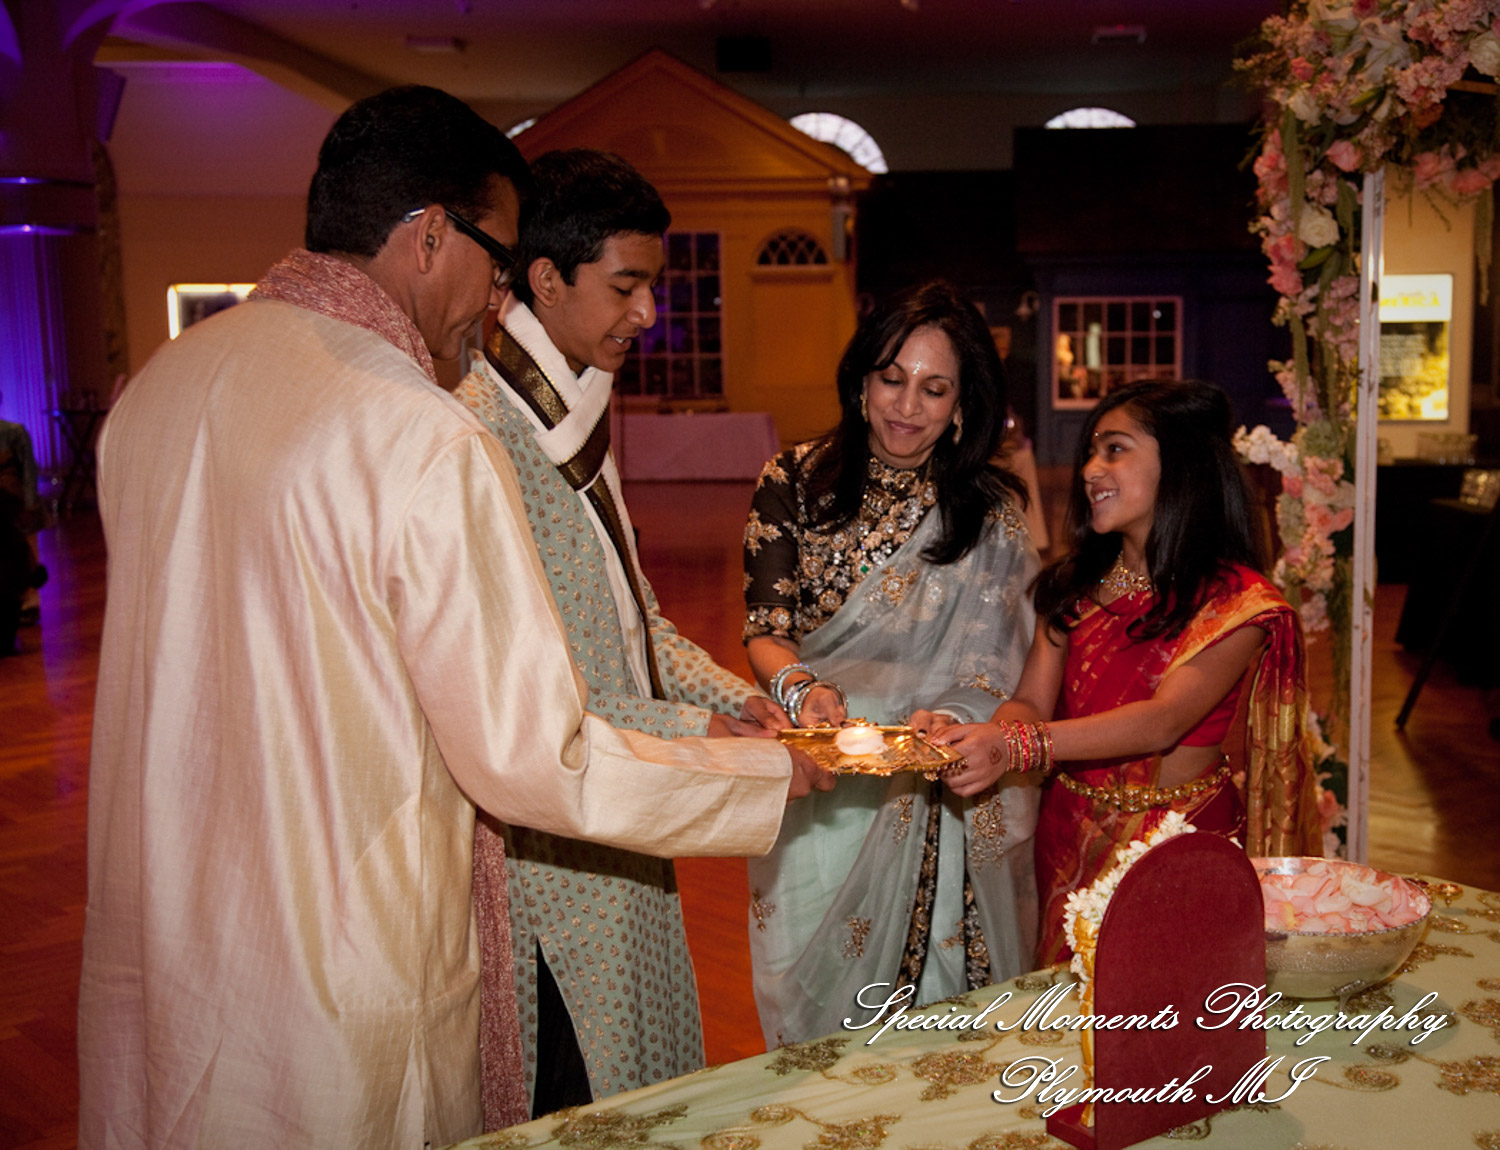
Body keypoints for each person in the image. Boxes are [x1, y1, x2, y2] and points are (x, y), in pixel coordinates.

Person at [78, 87, 827, 1150]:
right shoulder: (414, 428)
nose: (494, 293)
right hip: (336, 937)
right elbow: (535, 755)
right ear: (432, 234)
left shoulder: (161, 386)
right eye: (497, 252)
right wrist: (753, 773)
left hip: (169, 922)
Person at [452, 149, 789, 1118]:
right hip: (549, 841)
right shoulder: (481, 437)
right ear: (545, 279)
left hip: (628, 804)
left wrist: (740, 700)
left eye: (652, 286)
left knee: (635, 1084)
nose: (647, 313)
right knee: (571, 1089)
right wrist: (721, 750)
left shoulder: (572, 412)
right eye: (626, 285)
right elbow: (533, 694)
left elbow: (636, 622)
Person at [741, 280, 1042, 1046]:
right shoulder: (795, 480)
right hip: (827, 774)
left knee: (938, 1027)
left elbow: (996, 663)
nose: (907, 406)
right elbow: (765, 631)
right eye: (891, 378)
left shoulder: (991, 509)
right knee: (815, 1012)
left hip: (937, 776)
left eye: (934, 389)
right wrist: (801, 687)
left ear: (963, 402)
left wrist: (958, 717)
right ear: (861, 379)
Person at [932, 380, 1321, 965]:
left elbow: (1162, 721)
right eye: (1092, 450)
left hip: (1179, 840)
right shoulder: (1074, 588)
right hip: (1068, 835)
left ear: (1181, 464)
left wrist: (1014, 746)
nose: (1090, 468)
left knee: (1169, 1011)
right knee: (1071, 1012)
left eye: (1115, 449)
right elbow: (1032, 702)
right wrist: (979, 735)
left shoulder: (1236, 604)